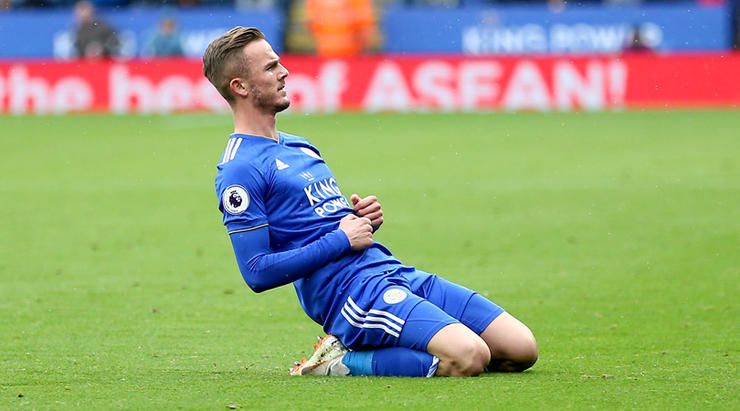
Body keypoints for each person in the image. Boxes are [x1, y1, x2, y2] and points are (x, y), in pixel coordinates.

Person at [202, 26, 538, 377]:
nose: (284, 72)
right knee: (468, 357)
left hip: (387, 271)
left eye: (279, 63)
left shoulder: (299, 145)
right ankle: (338, 362)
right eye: (270, 67)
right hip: (349, 295)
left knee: (521, 348)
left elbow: (316, 222)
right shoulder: (240, 169)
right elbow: (256, 270)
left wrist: (359, 218)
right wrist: (342, 239)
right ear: (239, 86)